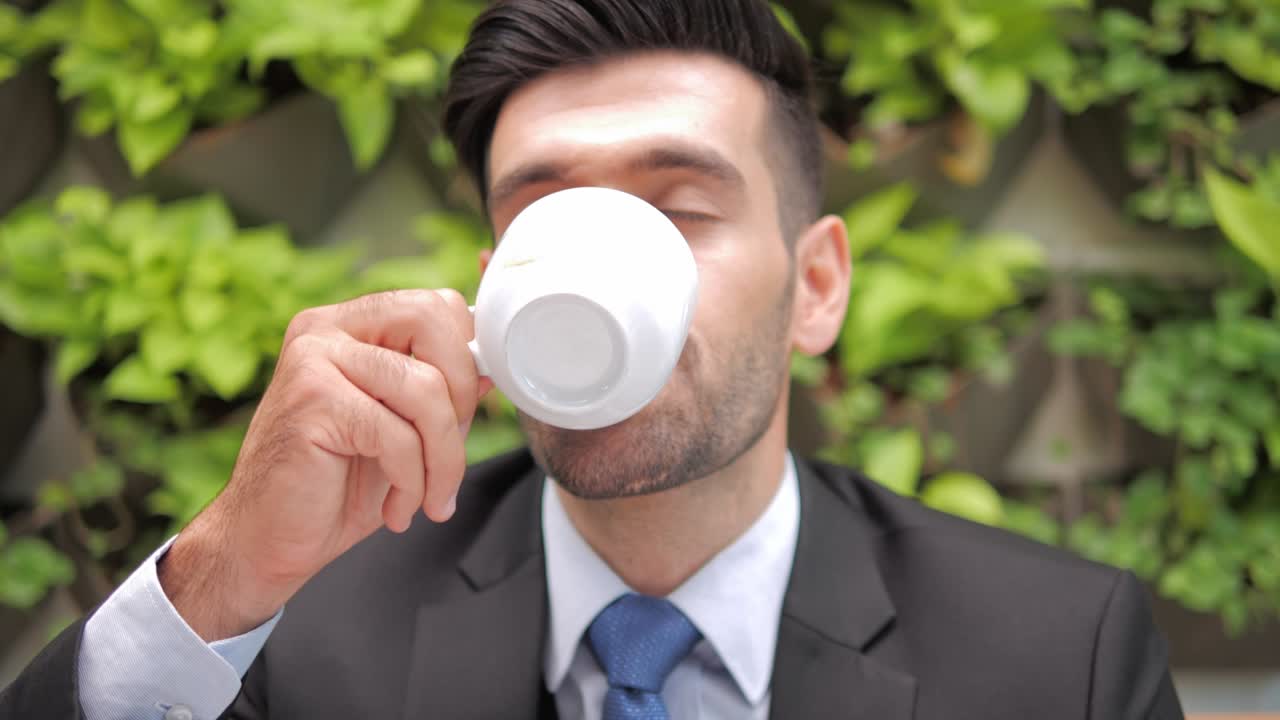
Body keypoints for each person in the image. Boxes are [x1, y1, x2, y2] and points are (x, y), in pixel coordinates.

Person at [1, 1, 1185, 718]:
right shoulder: (302, 626)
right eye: (545, 215)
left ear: (816, 286)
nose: (596, 270)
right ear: (492, 286)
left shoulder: (1053, 658)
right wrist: (224, 574)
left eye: (680, 208)